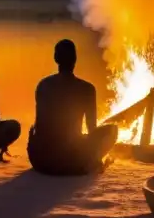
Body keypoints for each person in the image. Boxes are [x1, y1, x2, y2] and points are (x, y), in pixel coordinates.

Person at [28, 39, 118, 175]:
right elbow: (91, 128)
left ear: (55, 58)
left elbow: (39, 124)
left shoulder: (43, 85)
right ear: (75, 59)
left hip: (40, 160)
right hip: (70, 162)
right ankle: (91, 162)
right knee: (112, 129)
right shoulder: (87, 89)